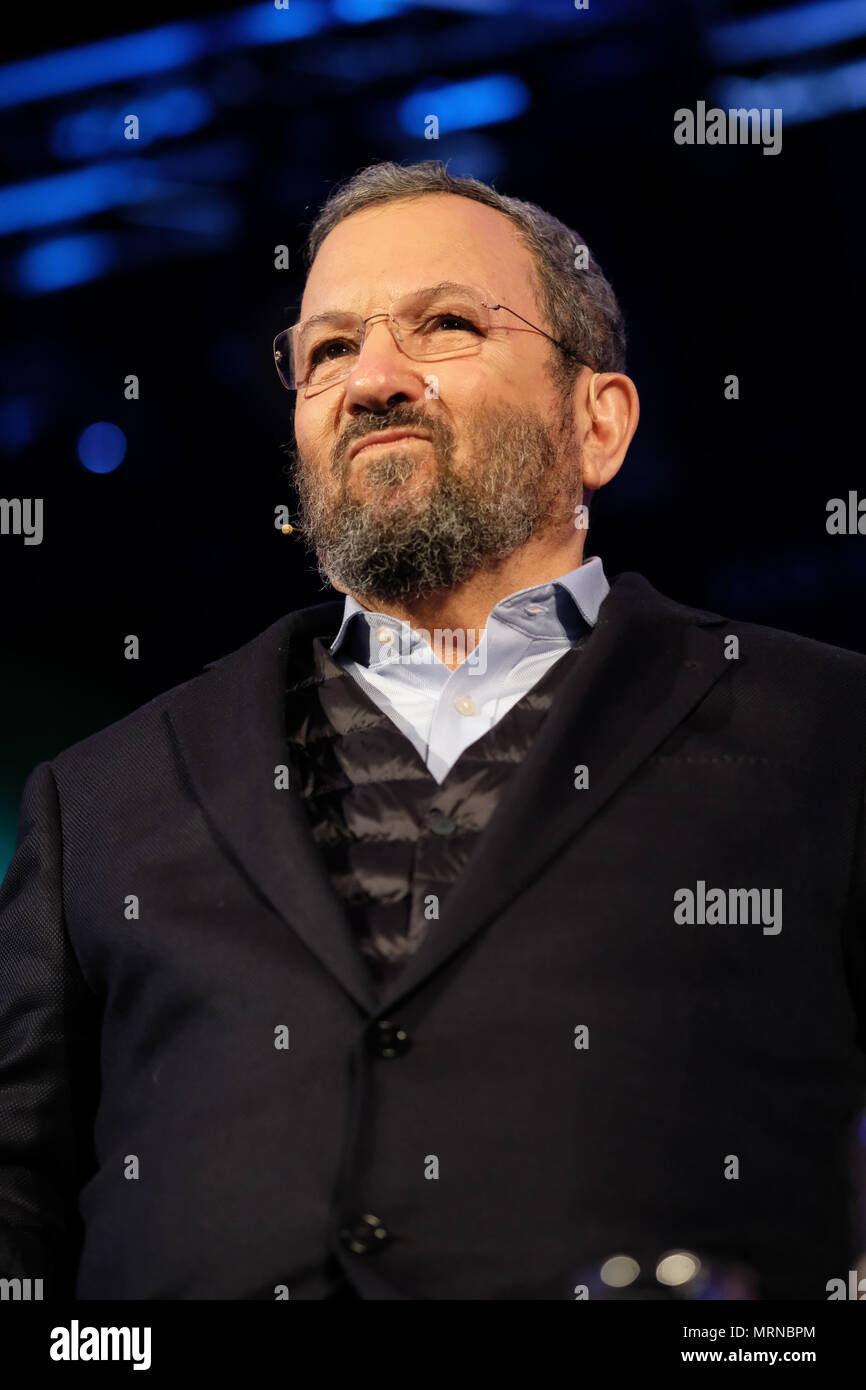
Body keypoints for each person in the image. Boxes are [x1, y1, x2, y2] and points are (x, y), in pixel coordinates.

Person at [1, 160, 865, 1302]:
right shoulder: (101, 797)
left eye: (445, 324)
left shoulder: (824, 731)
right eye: (327, 351)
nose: (372, 381)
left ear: (595, 421)